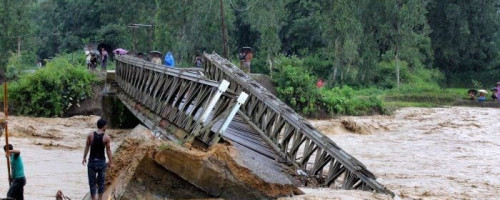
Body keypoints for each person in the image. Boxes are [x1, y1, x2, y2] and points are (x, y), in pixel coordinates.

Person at [82, 119, 113, 200]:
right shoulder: (106, 137)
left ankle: (93, 199)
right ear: (103, 126)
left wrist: (84, 158)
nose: (106, 126)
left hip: (92, 162)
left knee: (92, 183)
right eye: (106, 125)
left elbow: (87, 147)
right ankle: (100, 198)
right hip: (101, 162)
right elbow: (108, 150)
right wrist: (111, 162)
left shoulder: (90, 135)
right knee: (101, 182)